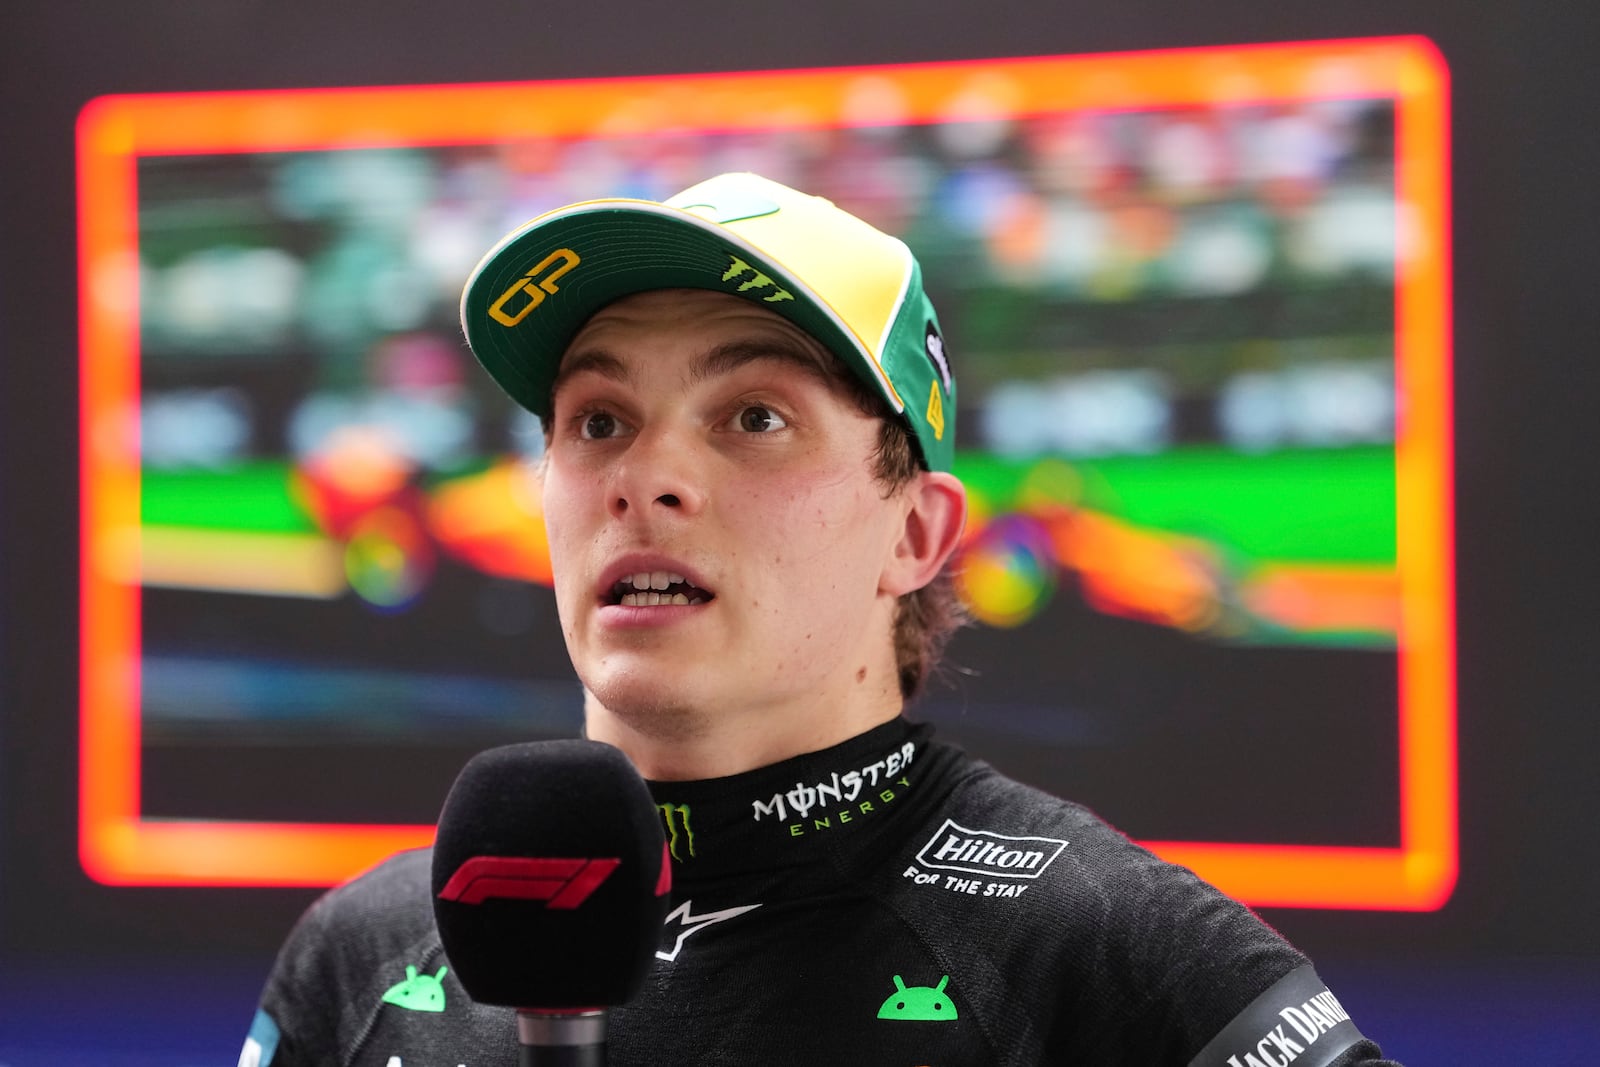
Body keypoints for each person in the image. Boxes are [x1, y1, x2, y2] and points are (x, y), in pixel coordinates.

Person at [240, 172, 1403, 1066]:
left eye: (751, 414)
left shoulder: (1108, 952)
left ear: (915, 534)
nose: (646, 477)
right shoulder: (360, 952)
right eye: (598, 419)